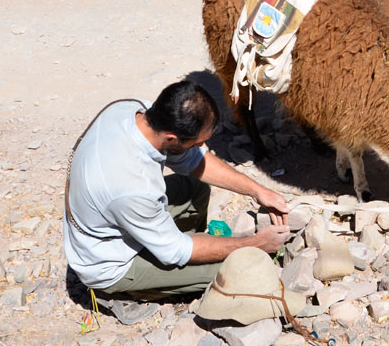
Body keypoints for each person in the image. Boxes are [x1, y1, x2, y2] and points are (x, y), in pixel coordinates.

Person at [63, 80, 291, 323]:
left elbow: (193, 160)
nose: (203, 147)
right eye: (197, 142)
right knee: (229, 268)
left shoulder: (132, 110)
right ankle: (120, 292)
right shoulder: (133, 186)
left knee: (195, 189)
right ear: (172, 138)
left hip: (110, 213)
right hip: (108, 263)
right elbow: (176, 251)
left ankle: (169, 247)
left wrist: (257, 191)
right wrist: (254, 244)